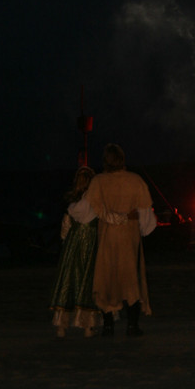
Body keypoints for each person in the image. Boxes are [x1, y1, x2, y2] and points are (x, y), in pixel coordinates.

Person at [68, 143, 156, 337]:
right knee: (130, 279)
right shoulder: (135, 180)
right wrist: (140, 227)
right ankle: (132, 326)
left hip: (107, 236)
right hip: (128, 236)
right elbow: (147, 218)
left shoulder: (98, 182)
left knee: (106, 279)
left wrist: (70, 210)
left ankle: (108, 326)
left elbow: (85, 211)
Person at [49, 166, 102, 338]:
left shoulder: (73, 206)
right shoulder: (96, 202)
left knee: (69, 282)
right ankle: (88, 326)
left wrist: (67, 242)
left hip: (73, 245)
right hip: (91, 245)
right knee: (88, 281)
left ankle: (61, 327)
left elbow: (65, 231)